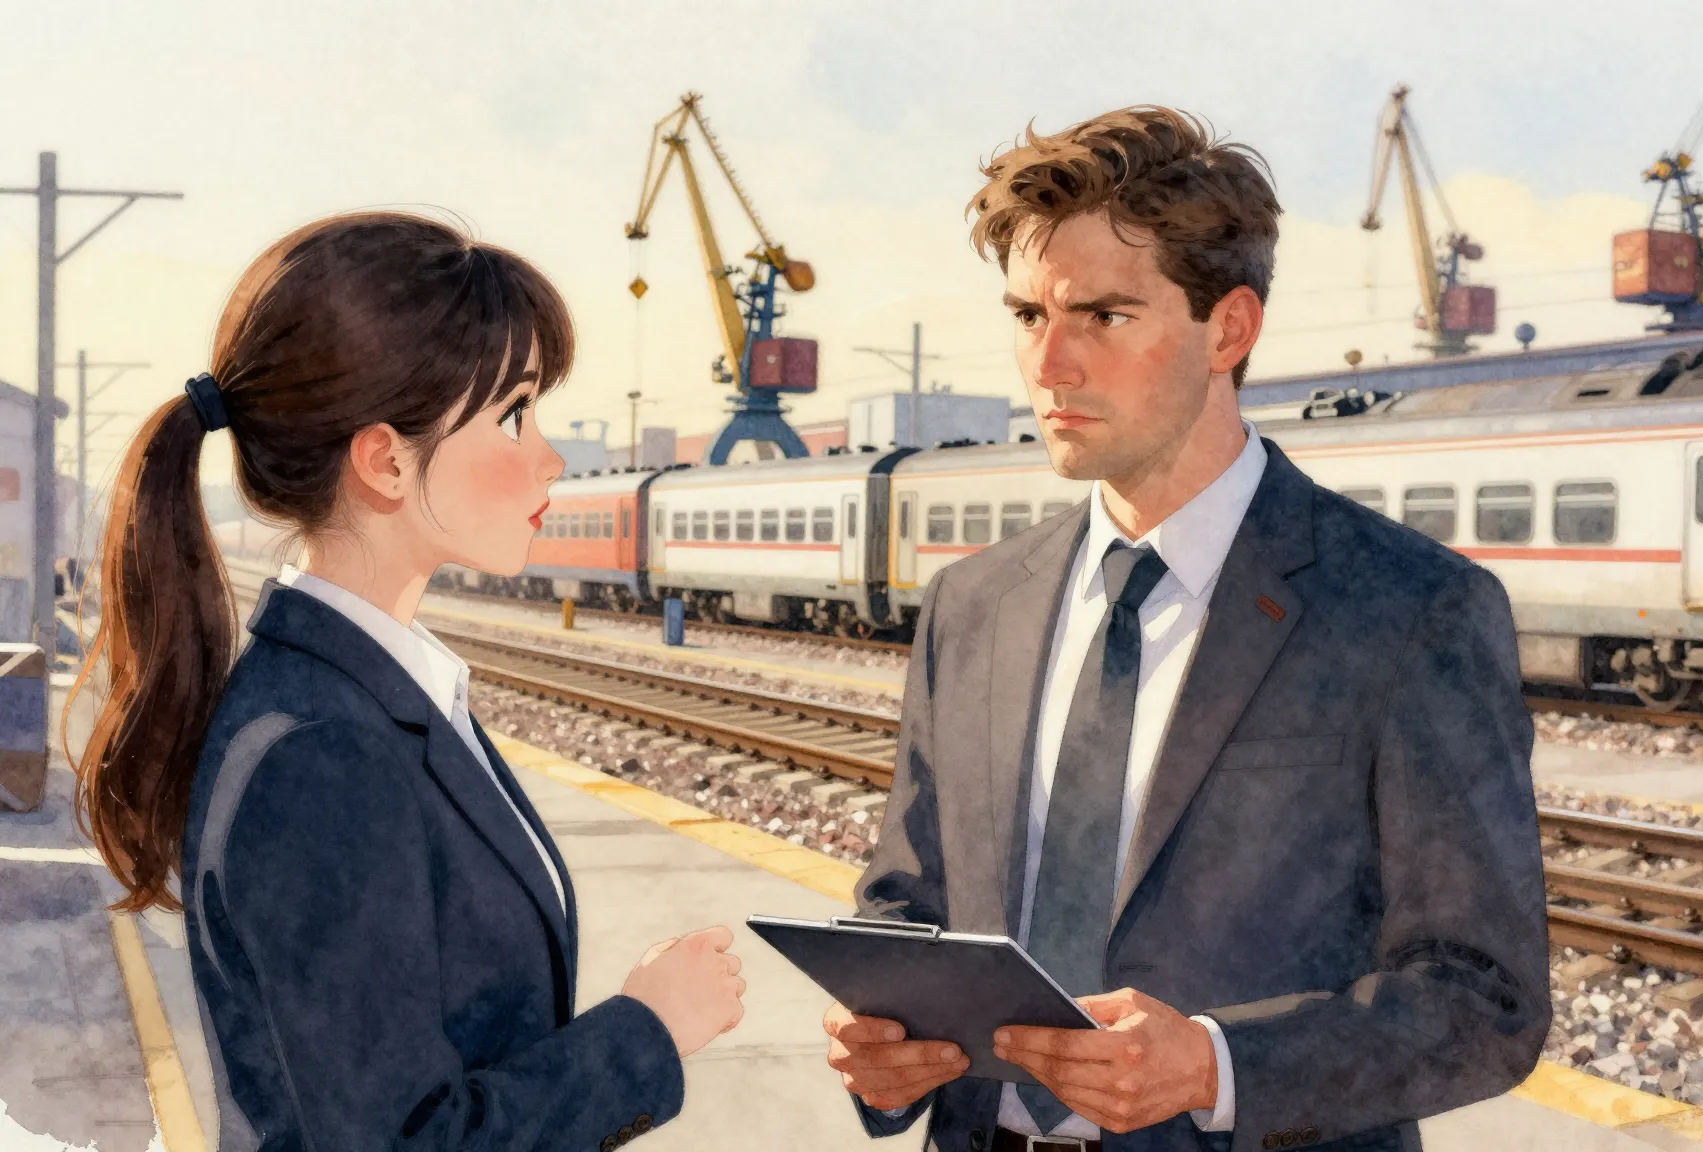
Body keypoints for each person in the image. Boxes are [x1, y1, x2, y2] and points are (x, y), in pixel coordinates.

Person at [822, 107, 1550, 1152]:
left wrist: (1216, 1067)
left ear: (1230, 329)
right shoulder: (972, 606)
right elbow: (908, 901)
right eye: (1028, 315)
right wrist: (882, 1045)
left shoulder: (1406, 612)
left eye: (1104, 317)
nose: (1049, 365)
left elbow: (1483, 1000)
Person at [69, 212, 746, 1150]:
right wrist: (649, 1031)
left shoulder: (372, 700)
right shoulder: (319, 753)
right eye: (513, 413)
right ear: (385, 459)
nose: (550, 456)